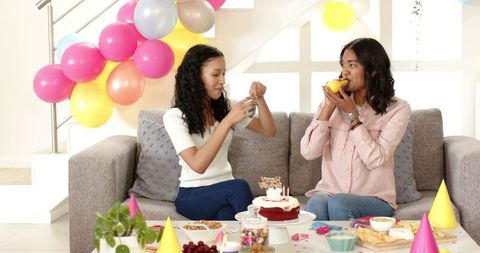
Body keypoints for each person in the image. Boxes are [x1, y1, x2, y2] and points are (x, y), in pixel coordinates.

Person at [300, 38, 411, 220]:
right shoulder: (332, 105)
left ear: (373, 70)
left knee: (339, 202)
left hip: (374, 199)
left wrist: (352, 115)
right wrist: (328, 107)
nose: (345, 72)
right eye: (343, 64)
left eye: (352, 65)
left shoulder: (398, 109)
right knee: (316, 203)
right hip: (330, 192)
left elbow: (376, 158)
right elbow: (308, 152)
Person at [163, 44, 277, 220]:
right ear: (196, 77)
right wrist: (227, 121)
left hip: (224, 192)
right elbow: (198, 165)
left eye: (224, 74)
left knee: (228, 218)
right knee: (239, 187)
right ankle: (261, 242)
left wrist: (260, 99)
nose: (222, 80)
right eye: (216, 74)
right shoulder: (174, 116)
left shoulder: (225, 107)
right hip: (193, 196)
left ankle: (242, 244)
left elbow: (268, 130)